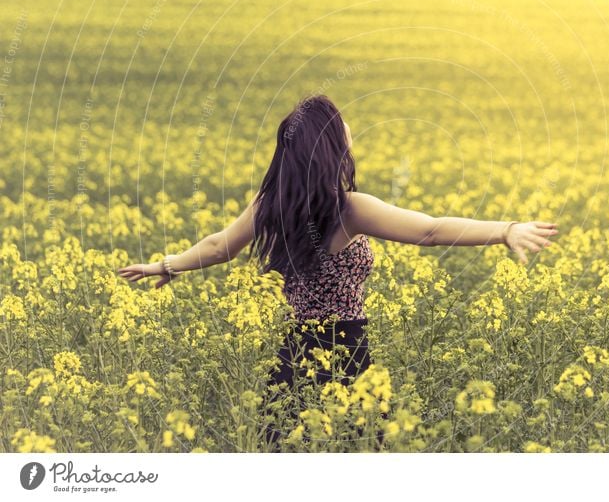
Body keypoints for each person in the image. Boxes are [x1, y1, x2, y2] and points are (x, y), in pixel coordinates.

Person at [117, 94, 559, 451]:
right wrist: (505, 230)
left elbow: (219, 247)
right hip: (345, 353)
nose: (349, 127)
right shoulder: (346, 208)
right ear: (330, 142)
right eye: (341, 122)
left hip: (292, 356)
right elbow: (429, 231)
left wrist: (165, 265)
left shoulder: (273, 204)